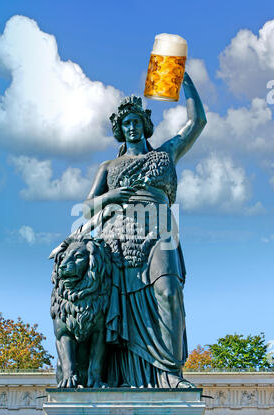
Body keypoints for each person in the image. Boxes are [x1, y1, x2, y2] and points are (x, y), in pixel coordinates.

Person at [81, 72, 207, 388]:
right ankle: (122, 375)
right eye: (126, 124)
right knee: (118, 310)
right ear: (119, 131)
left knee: (168, 291)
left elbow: (197, 122)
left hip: (160, 235)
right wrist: (111, 196)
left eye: (136, 122)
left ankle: (169, 373)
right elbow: (87, 207)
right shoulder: (107, 168)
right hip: (119, 243)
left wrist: (182, 78)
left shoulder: (165, 154)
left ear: (144, 125)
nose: (132, 127)